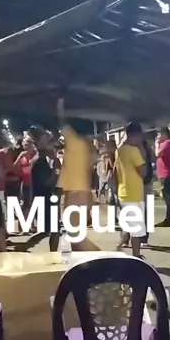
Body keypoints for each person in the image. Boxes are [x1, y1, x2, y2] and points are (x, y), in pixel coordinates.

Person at [56, 98, 101, 251]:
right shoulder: (89, 146)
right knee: (75, 236)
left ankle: (104, 259)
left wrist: (61, 101)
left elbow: (62, 121)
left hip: (77, 193)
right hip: (81, 192)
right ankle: (86, 261)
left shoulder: (75, 141)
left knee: (75, 236)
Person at [114, 123, 148, 257]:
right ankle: (136, 255)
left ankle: (118, 249)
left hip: (123, 192)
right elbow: (143, 172)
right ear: (136, 135)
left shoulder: (120, 150)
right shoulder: (134, 151)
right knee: (136, 230)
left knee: (128, 227)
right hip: (133, 194)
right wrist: (142, 151)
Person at [28, 126, 61, 251]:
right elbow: (47, 182)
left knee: (50, 230)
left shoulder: (39, 160)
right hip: (44, 201)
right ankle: (53, 255)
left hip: (42, 200)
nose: (53, 148)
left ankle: (52, 254)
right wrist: (56, 171)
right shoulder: (40, 162)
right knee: (54, 230)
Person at [155, 126, 170, 227]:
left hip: (168, 175)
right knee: (168, 197)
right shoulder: (168, 144)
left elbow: (158, 154)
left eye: (159, 134)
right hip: (166, 174)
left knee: (169, 198)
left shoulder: (167, 143)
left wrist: (156, 144)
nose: (157, 137)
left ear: (164, 134)